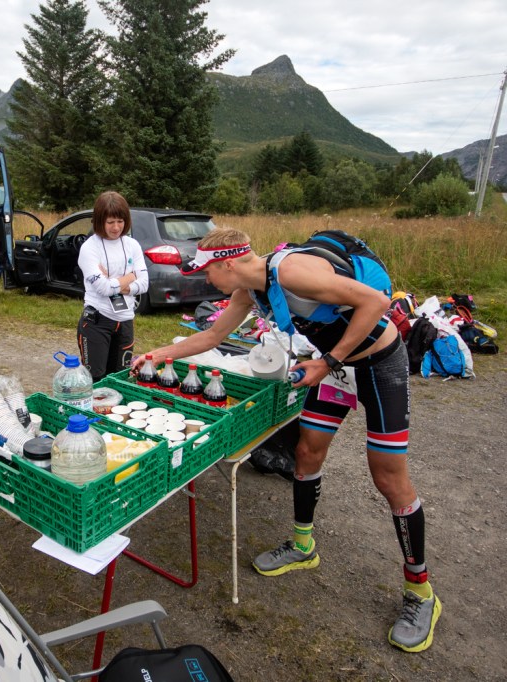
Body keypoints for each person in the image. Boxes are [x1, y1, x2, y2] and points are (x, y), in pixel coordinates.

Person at [137, 227, 439, 653]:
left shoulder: (291, 271)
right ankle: (302, 546)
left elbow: (377, 302)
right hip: (332, 367)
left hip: (376, 364)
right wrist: (156, 355)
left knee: (388, 477)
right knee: (305, 453)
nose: (207, 281)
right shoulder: (249, 291)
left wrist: (327, 361)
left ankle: (420, 592)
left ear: (227, 263)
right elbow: (210, 337)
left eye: (208, 272)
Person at [76, 191, 148, 382]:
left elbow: (144, 284)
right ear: (100, 221)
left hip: (125, 321)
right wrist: (130, 277)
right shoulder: (90, 248)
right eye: (110, 222)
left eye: (120, 221)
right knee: (96, 377)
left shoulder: (132, 245)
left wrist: (115, 282)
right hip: (97, 321)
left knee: (121, 377)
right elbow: (103, 289)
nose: (116, 227)